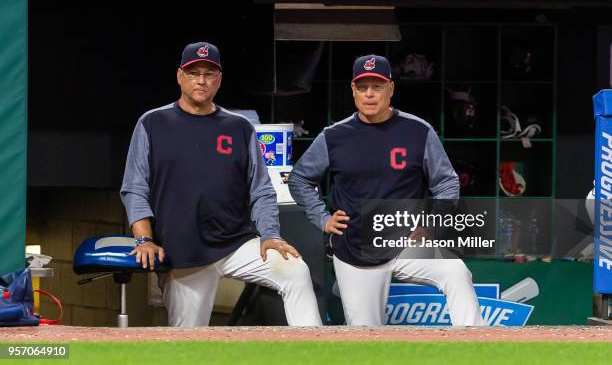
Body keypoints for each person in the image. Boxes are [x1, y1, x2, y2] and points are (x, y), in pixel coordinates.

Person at [120, 42, 322, 327]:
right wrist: (145, 239)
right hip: (184, 251)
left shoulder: (238, 126)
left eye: (209, 73)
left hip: (236, 243)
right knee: (187, 343)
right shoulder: (153, 123)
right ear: (180, 76)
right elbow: (134, 188)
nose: (201, 80)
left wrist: (270, 235)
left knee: (295, 271)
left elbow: (262, 190)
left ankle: (317, 351)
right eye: (193, 73)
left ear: (219, 79)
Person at [288, 54, 484, 326]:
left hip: (406, 242)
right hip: (356, 248)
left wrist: (433, 224)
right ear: (354, 91)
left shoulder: (417, 131)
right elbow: (300, 178)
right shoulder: (334, 136)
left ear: (390, 89)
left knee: (455, 272)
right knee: (366, 335)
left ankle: (477, 348)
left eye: (377, 87)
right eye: (363, 87)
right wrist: (322, 218)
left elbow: (446, 182)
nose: (369, 94)